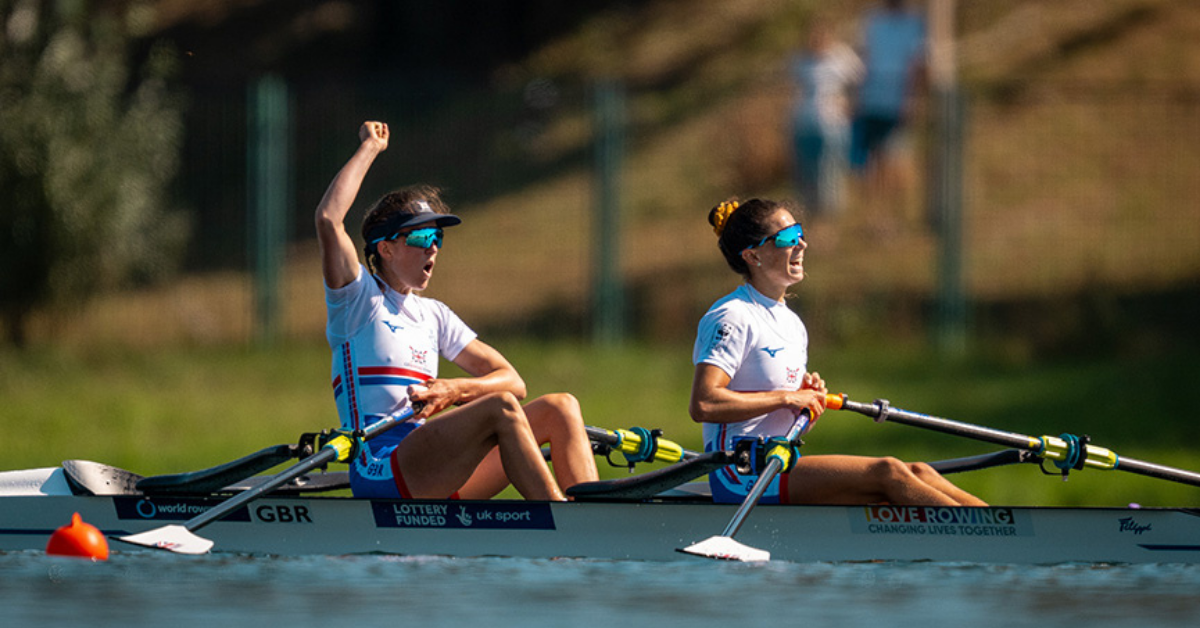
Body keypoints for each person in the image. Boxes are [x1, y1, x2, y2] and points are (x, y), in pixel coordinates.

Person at [315, 121, 598, 501]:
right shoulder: (358, 300)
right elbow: (329, 220)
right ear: (385, 249)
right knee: (499, 407)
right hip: (380, 465)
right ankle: (559, 515)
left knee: (560, 407)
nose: (433, 249)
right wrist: (370, 148)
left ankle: (596, 515)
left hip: (433, 463)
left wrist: (456, 388)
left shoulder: (434, 315)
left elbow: (513, 380)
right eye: (421, 238)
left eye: (438, 238)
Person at [689, 197, 986, 506]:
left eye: (800, 233)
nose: (802, 244)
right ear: (753, 255)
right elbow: (704, 403)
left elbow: (778, 422)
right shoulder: (733, 316)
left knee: (921, 473)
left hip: (776, 463)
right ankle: (987, 543)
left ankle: (997, 530)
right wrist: (789, 397)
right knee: (889, 472)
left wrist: (805, 407)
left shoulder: (792, 324)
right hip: (738, 473)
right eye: (788, 238)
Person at [850, 0, 927, 220]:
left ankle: (895, 215)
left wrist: (911, 99)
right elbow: (863, 59)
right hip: (871, 101)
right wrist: (857, 97)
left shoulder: (914, 23)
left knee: (894, 159)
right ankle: (875, 216)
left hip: (896, 104)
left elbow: (917, 63)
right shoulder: (873, 20)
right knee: (869, 163)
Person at [789, 19, 863, 217]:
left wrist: (851, 105)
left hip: (833, 125)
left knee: (829, 173)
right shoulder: (800, 61)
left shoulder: (841, 59)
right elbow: (792, 88)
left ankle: (829, 219)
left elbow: (860, 83)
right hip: (805, 125)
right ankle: (808, 215)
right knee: (807, 174)